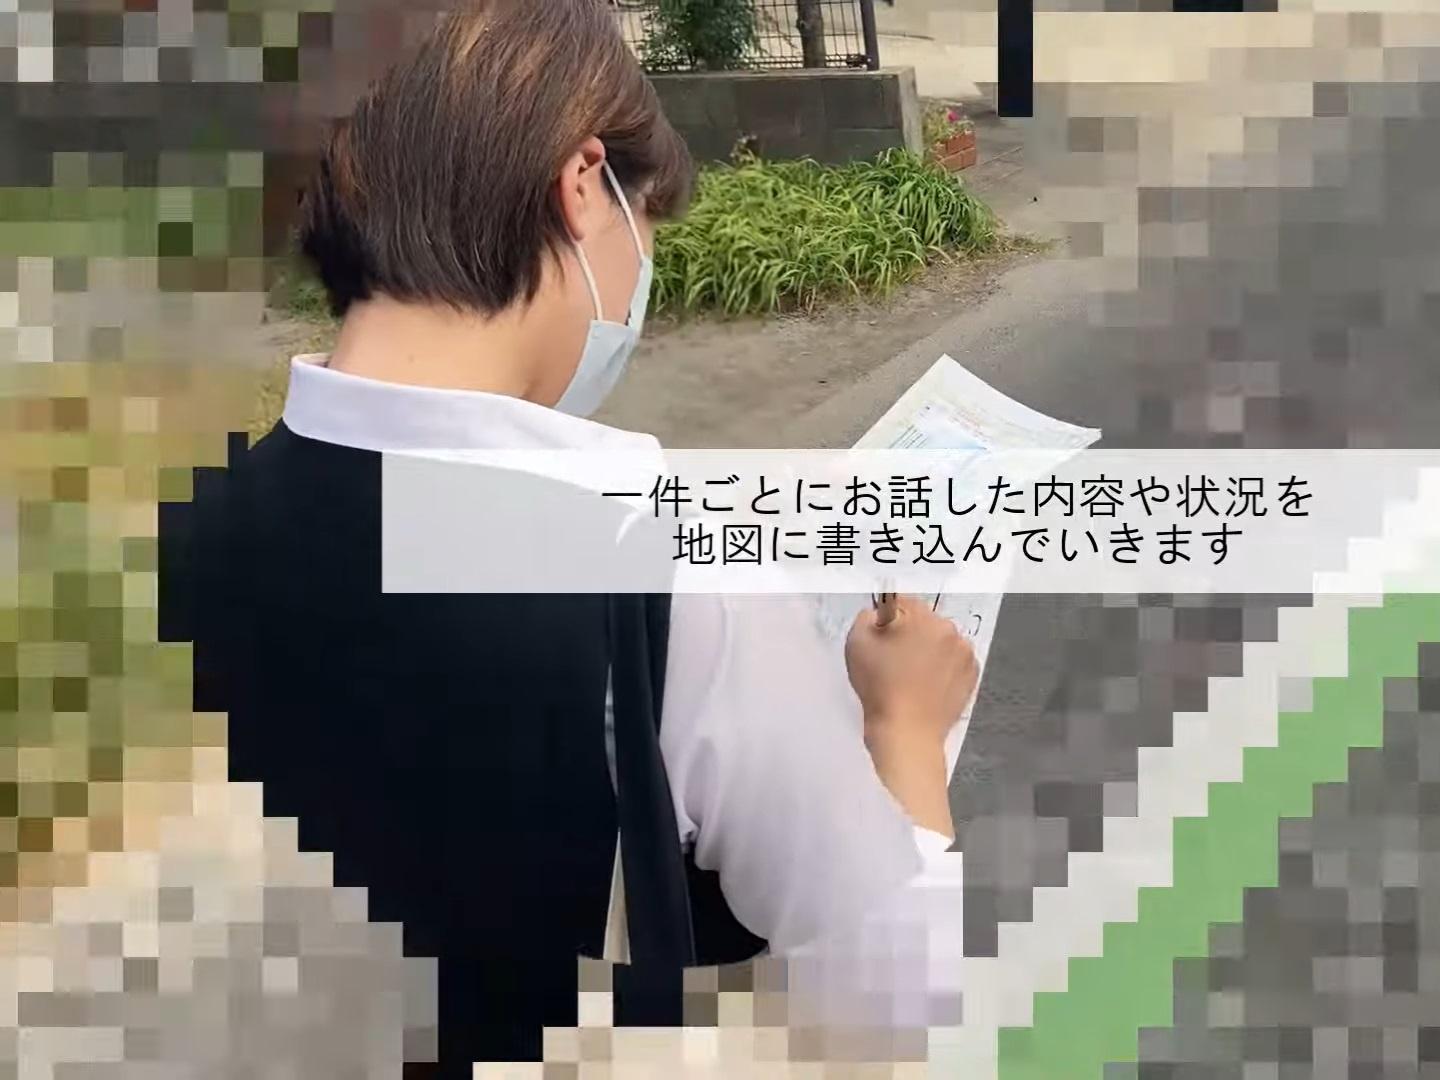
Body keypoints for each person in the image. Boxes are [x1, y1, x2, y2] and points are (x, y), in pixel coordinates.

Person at [155, 0, 978, 1071]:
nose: (637, 290)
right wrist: (904, 728)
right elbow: (894, 1001)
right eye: (647, 239)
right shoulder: (663, 567)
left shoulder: (186, 533)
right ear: (583, 185)